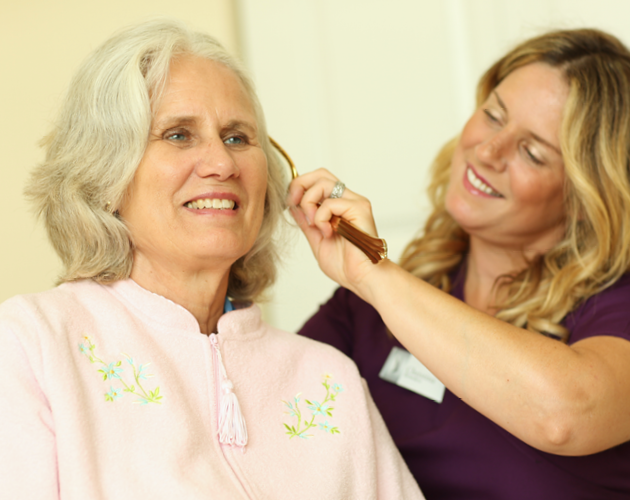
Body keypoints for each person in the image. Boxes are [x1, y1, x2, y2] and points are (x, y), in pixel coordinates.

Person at [0, 19, 425, 500]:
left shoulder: (328, 378)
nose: (222, 164)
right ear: (105, 173)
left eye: (238, 137)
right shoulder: (31, 342)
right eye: (178, 135)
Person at [292, 28, 630, 499]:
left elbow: (564, 416)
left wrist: (373, 270)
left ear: (593, 197)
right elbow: (264, 424)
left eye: (532, 152)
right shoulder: (368, 311)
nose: (487, 151)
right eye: (493, 115)